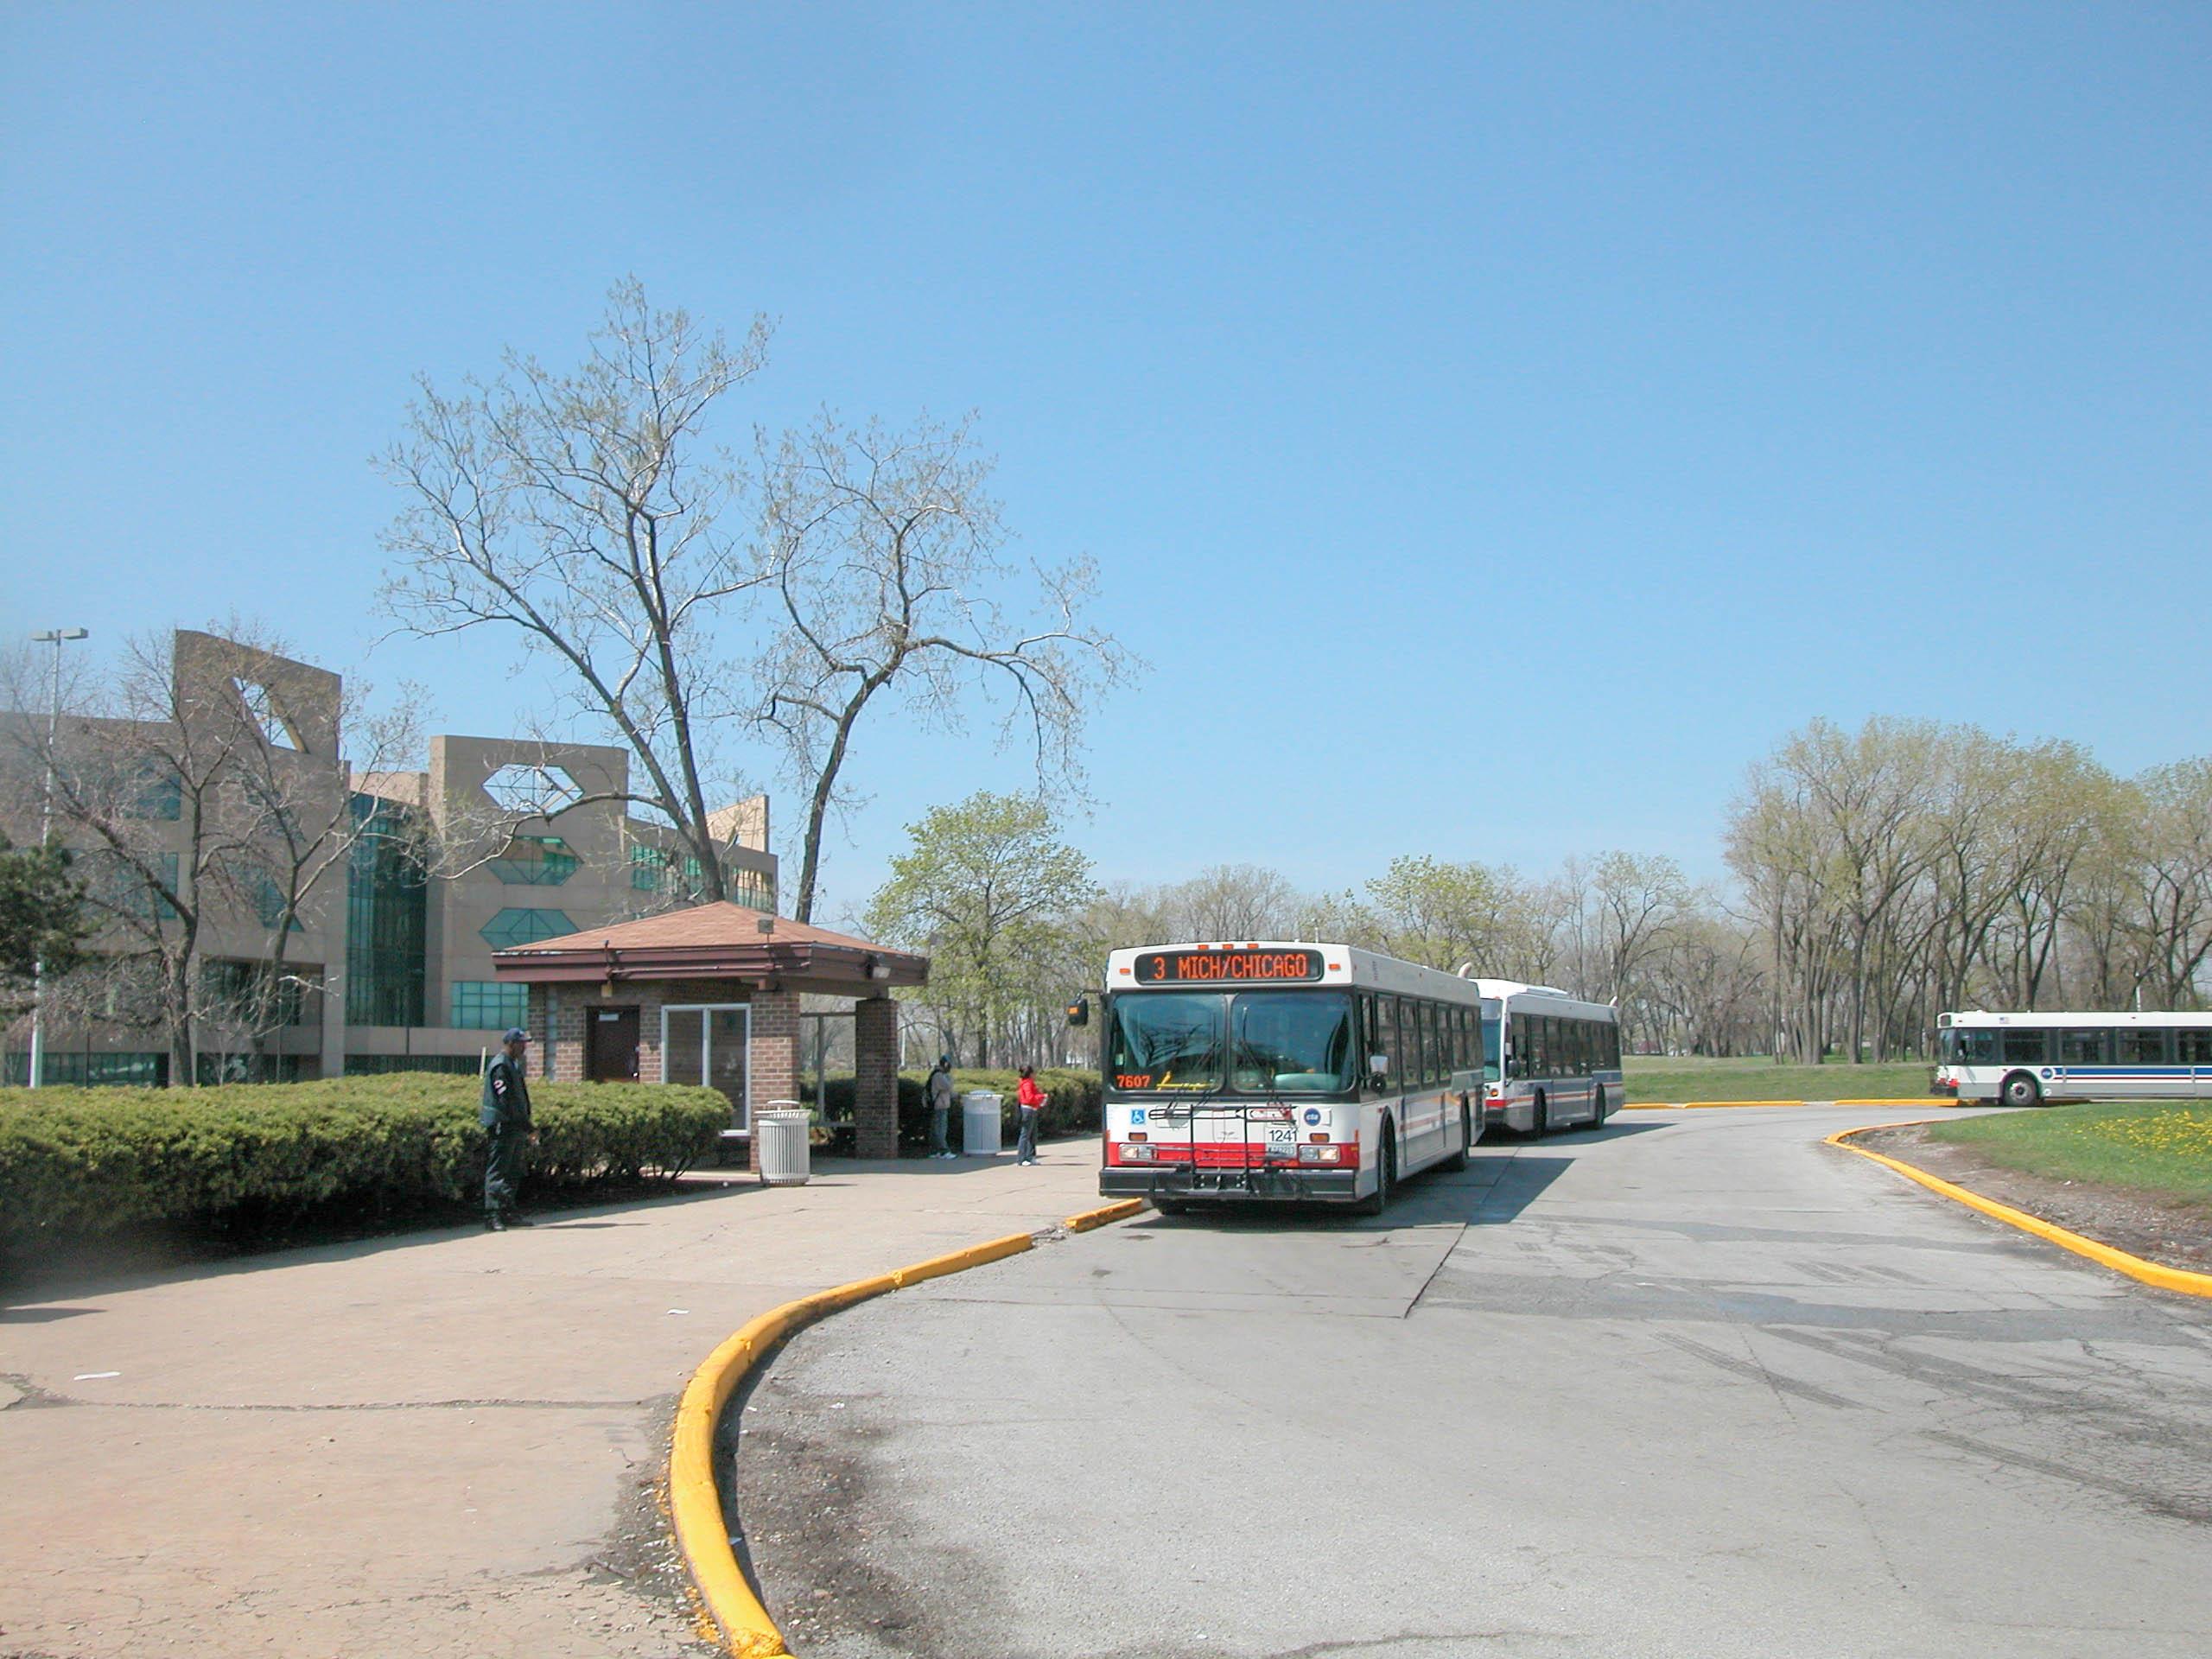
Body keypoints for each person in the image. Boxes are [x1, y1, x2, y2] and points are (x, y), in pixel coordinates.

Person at [481, 1027, 537, 1230]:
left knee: (513, 1171)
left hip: (516, 1127)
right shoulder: (500, 1066)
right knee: (498, 1171)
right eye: (522, 1043)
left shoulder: (512, 1065)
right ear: (511, 1044)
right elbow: (506, 1101)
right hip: (503, 1126)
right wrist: (527, 1126)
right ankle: (492, 1215)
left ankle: (508, 1211)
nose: (524, 1047)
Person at [1014, 1065, 1048, 1165]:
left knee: (1032, 1135)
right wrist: (1040, 1098)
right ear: (1030, 1074)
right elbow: (1029, 1098)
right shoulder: (1027, 1084)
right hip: (1028, 1110)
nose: (1035, 1075)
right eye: (1033, 1073)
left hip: (1032, 1109)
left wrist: (1040, 1097)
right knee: (1025, 1134)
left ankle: (1030, 1156)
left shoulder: (1029, 1083)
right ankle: (1022, 1158)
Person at [926, 1054, 957, 1158]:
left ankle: (936, 1151)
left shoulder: (939, 1075)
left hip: (941, 1105)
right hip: (939, 1106)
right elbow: (947, 1086)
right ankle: (944, 1150)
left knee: (937, 1128)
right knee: (940, 1129)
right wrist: (950, 1078)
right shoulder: (938, 1075)